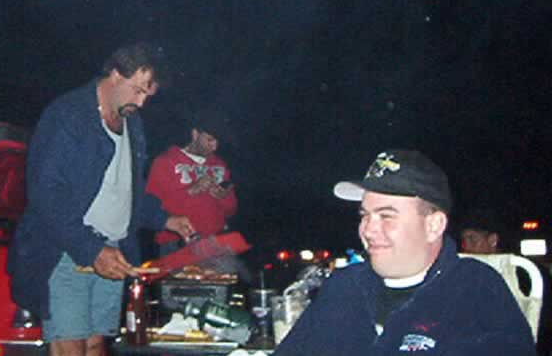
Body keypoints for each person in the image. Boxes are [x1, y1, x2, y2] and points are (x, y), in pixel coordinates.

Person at [8, 43, 194, 356]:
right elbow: (46, 194)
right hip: (67, 252)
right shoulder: (68, 115)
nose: (141, 102)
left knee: (96, 345)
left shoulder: (132, 123)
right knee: (71, 346)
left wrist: (165, 218)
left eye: (148, 96)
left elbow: (128, 189)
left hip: (115, 250)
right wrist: (91, 250)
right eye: (138, 91)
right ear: (116, 74)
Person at [273, 149, 536, 356]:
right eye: (364, 215)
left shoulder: (476, 289)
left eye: (386, 216)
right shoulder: (344, 286)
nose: (368, 230)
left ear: (433, 225)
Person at [459, 208, 552, 356]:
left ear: (492, 240)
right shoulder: (462, 272)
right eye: (463, 241)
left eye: (472, 239)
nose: (466, 246)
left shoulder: (525, 272)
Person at [146, 109, 237, 256]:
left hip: (217, 243)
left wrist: (223, 197)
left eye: (218, 142)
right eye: (210, 140)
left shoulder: (219, 164)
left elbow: (231, 210)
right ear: (195, 134)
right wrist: (191, 190)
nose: (215, 146)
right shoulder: (165, 162)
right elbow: (152, 209)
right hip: (177, 243)